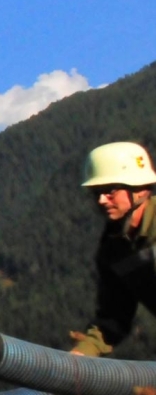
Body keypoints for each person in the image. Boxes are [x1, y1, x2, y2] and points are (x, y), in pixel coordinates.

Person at [70, 142, 156, 357]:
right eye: (95, 193)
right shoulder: (114, 251)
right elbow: (114, 319)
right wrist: (82, 354)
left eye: (110, 191)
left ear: (140, 189)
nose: (101, 200)